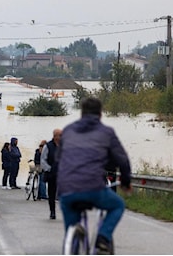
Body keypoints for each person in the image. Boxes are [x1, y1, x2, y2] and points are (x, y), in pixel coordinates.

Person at [57, 97, 132, 254]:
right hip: (92, 187)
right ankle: (103, 238)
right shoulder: (106, 132)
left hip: (67, 189)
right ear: (100, 114)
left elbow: (58, 158)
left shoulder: (68, 130)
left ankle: (71, 246)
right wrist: (125, 182)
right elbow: (122, 160)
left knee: (71, 228)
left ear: (81, 113)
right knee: (118, 205)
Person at [41, 129, 62, 219]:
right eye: (60, 135)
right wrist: (49, 169)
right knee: (51, 193)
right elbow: (43, 159)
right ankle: (52, 211)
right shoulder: (48, 146)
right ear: (55, 136)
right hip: (52, 174)